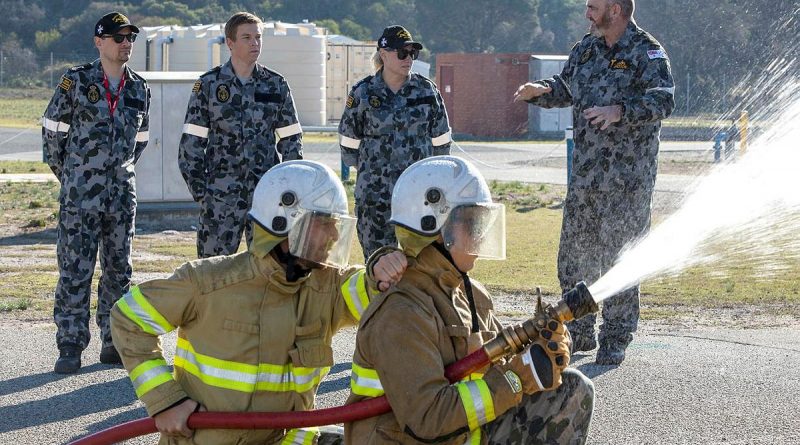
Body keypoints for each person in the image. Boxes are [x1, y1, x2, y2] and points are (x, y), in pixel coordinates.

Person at [111, 160, 407, 445]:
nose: (333, 234)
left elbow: (374, 289)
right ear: (285, 224)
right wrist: (165, 401)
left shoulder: (325, 288)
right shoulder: (208, 282)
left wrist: (381, 266)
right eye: (324, 223)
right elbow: (128, 318)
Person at [345, 156, 594, 444]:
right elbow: (428, 419)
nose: (481, 234)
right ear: (437, 230)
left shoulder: (472, 294)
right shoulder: (400, 313)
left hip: (465, 437)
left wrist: (539, 355)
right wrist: (516, 379)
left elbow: (497, 365)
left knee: (571, 390)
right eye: (472, 223)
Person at [514, 0, 675, 365]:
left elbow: (663, 101)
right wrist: (540, 91)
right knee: (574, 258)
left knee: (620, 258)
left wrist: (620, 111)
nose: (587, 13)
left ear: (615, 9)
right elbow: (566, 86)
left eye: (593, 6)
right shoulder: (585, 49)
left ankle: (615, 338)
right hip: (586, 178)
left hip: (628, 183)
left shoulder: (646, 51)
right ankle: (579, 331)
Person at [42, 11, 150, 374]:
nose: (126, 44)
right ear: (99, 41)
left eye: (130, 38)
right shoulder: (76, 82)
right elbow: (52, 134)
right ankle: (70, 344)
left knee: (119, 270)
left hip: (121, 195)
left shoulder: (138, 88)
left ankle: (112, 341)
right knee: (75, 269)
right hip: (80, 195)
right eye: (118, 37)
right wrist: (73, 175)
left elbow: (140, 142)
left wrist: (118, 172)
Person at [179, 12, 303, 259]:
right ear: (230, 43)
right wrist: (203, 194)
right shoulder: (209, 85)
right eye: (246, 37)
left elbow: (291, 141)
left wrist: (287, 187)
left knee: (271, 270)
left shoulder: (276, 85)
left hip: (266, 197)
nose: (254, 43)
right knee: (213, 273)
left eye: (258, 37)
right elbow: (191, 145)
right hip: (221, 197)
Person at [338, 25, 452, 259]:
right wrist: (371, 171)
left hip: (419, 195)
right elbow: (348, 141)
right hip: (375, 195)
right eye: (402, 53)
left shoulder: (426, 91)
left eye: (412, 53)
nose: (408, 58)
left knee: (424, 264)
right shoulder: (363, 93)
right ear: (384, 54)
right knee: (379, 262)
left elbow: (442, 142)